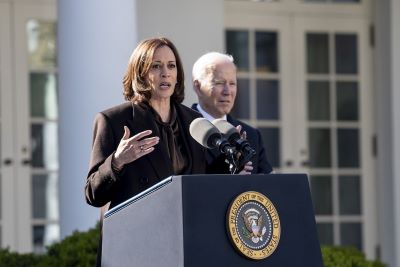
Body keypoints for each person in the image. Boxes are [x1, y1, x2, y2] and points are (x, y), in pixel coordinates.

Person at [85, 37, 206, 266]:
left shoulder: (194, 122)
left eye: (171, 66)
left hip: (184, 242)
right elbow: (93, 193)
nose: (165, 73)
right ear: (140, 73)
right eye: (156, 66)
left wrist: (234, 171)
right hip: (136, 245)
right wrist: (117, 161)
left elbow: (203, 180)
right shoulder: (113, 120)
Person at [191, 52, 273, 174]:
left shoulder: (251, 135)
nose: (227, 91)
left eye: (232, 83)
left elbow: (270, 185)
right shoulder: (179, 129)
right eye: (219, 83)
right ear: (198, 87)